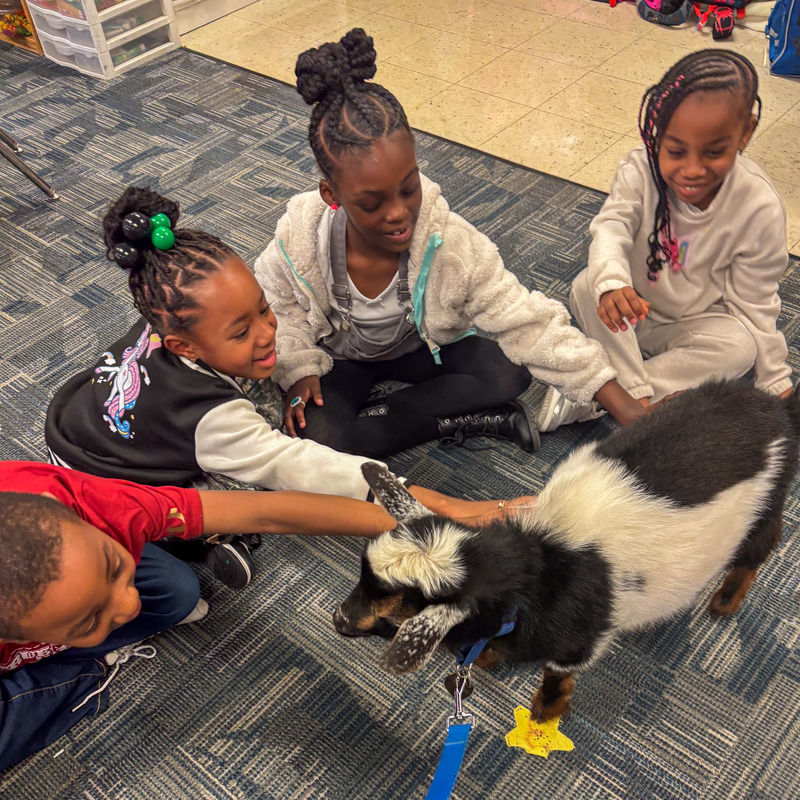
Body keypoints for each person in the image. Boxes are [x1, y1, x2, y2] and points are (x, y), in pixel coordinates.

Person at [44, 186, 512, 589]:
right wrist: (450, 507)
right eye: (240, 332)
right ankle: (199, 544)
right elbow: (317, 472)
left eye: (262, 310)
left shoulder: (164, 321)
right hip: (110, 486)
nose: (268, 333)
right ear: (183, 346)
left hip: (76, 428)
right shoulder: (213, 420)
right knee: (241, 488)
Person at [254, 28, 651, 460]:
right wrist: (297, 368)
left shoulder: (449, 242)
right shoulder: (301, 238)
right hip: (342, 359)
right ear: (332, 196)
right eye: (371, 203)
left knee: (510, 370)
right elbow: (277, 302)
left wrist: (626, 405)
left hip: (420, 349)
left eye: (408, 189)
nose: (398, 213)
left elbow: (527, 321)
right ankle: (468, 419)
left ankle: (389, 421)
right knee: (316, 435)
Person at [537, 49, 792, 432]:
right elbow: (612, 227)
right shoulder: (638, 169)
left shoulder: (759, 207)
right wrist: (613, 285)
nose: (691, 170)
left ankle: (601, 395)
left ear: (746, 133)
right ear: (655, 131)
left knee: (742, 346)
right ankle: (635, 399)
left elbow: (756, 300)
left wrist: (774, 380)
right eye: (674, 151)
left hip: (692, 324)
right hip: (625, 311)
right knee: (588, 284)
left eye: (714, 152)